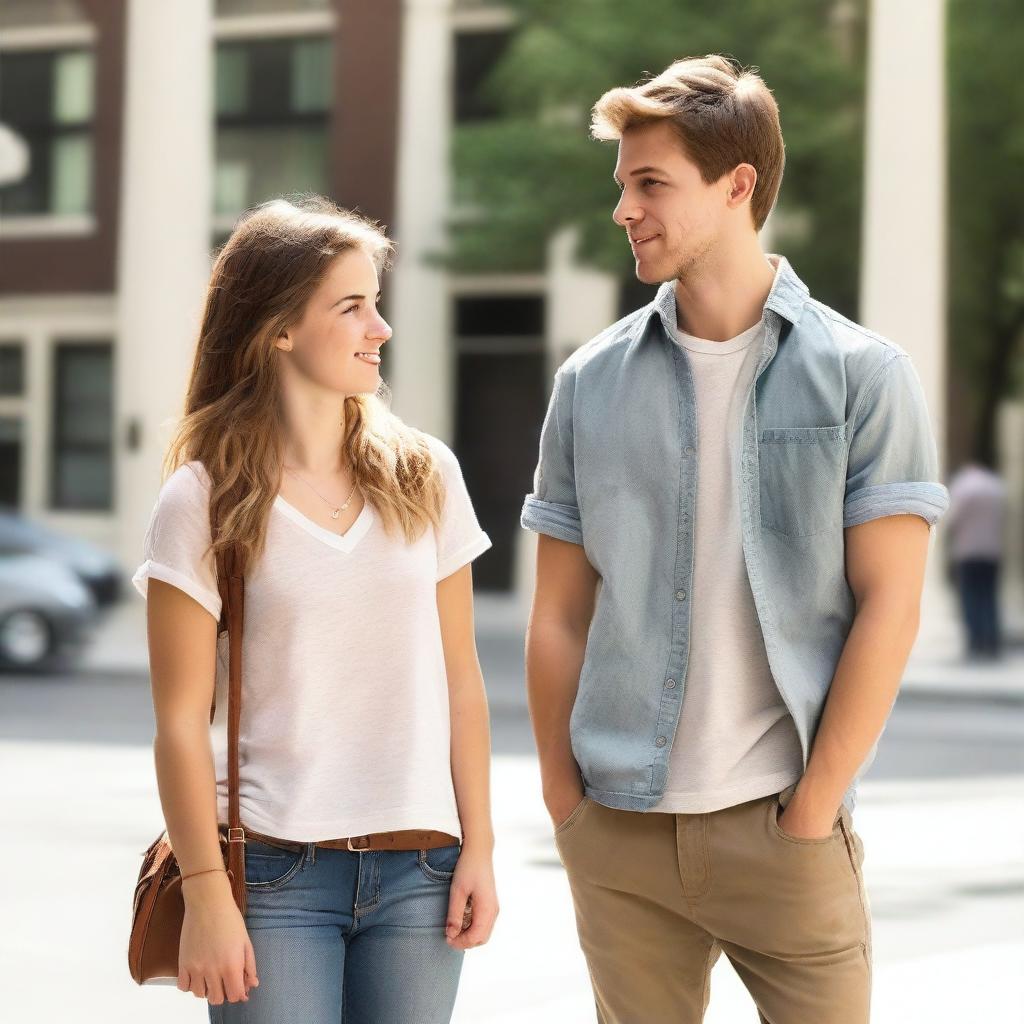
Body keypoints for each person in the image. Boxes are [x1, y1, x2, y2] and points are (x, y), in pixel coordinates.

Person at [520, 55, 949, 1023]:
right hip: (618, 831)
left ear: (736, 186)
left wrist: (815, 805)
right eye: (622, 185)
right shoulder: (586, 384)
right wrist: (565, 799)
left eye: (650, 183)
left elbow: (892, 601)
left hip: (782, 827)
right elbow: (555, 611)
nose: (624, 209)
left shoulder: (863, 375)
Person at [132, 195, 499, 1022]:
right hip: (270, 876)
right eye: (353, 306)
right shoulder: (205, 498)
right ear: (279, 330)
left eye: (378, 303)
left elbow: (461, 683)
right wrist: (208, 895)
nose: (382, 328)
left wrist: (480, 845)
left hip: (423, 872)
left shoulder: (424, 475)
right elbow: (180, 722)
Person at [945, 458, 1008, 660]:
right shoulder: (995, 487)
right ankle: (992, 642)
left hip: (968, 552)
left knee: (970, 598)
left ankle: (975, 642)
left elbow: (952, 519)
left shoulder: (963, 487)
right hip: (992, 551)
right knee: (989, 597)